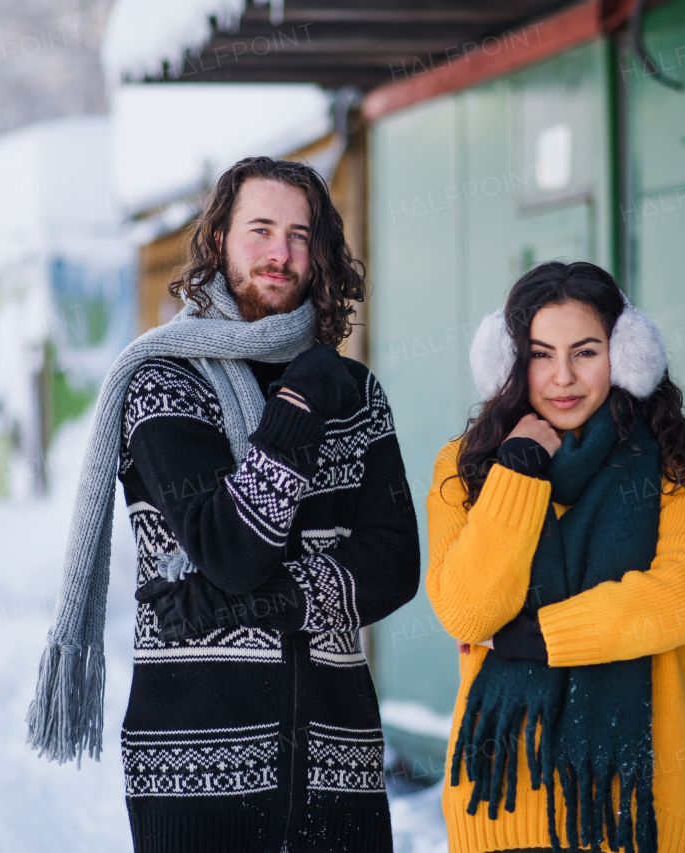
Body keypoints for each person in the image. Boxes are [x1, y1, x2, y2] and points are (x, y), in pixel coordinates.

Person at [27, 157, 420, 853]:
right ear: (218, 242)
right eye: (261, 229)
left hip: (340, 763)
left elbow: (395, 564)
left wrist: (254, 606)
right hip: (196, 769)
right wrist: (296, 406)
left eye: (301, 235)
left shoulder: (354, 392)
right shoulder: (164, 383)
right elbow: (233, 549)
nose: (281, 252)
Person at [425, 261, 685, 853]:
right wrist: (516, 472)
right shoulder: (466, 468)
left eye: (585, 351)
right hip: (502, 802)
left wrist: (533, 638)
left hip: (642, 812)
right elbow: (467, 611)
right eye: (541, 354)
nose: (562, 377)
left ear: (625, 354)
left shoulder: (674, 465)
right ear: (512, 362)